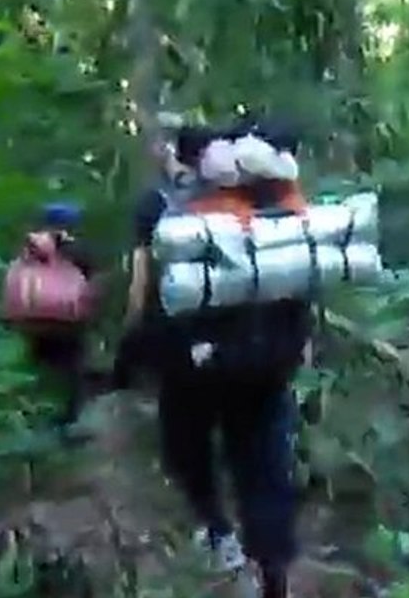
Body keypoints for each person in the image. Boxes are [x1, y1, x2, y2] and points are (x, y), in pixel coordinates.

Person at [123, 116, 308, 598]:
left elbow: (144, 287)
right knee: (264, 466)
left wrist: (136, 348)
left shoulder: (167, 210)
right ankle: (274, 576)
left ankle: (219, 532)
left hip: (193, 363)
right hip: (269, 364)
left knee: (187, 447)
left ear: (181, 157)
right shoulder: (282, 211)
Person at [22, 202, 95, 432]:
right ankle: (70, 423)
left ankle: (41, 421)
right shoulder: (78, 249)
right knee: (72, 370)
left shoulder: (33, 248)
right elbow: (88, 280)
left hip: (38, 322)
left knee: (42, 369)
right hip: (70, 323)